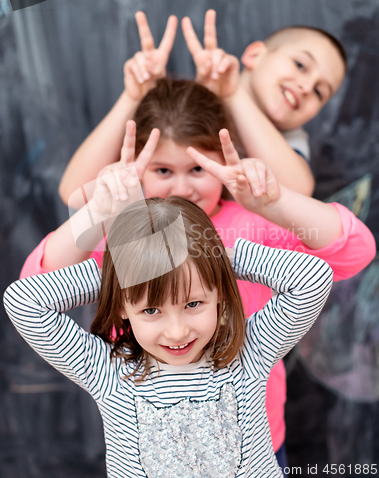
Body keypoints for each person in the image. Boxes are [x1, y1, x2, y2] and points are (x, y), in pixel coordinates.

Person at [20, 79, 376, 471]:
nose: (183, 186)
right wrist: (121, 260)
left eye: (196, 168)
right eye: (162, 170)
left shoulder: (253, 223)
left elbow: (354, 251)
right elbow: (36, 287)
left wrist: (247, 229)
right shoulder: (125, 235)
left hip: (256, 440)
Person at [6, 189, 336, 477]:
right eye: (151, 310)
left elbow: (312, 279)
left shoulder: (249, 352)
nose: (177, 331)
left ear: (219, 291)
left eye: (193, 304)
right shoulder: (106, 370)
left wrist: (216, 262)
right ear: (124, 306)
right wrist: (120, 276)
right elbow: (24, 302)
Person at [57, 10, 346, 203]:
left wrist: (234, 94)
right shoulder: (186, 107)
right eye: (300, 65)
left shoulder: (291, 141)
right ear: (255, 54)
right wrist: (134, 97)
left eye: (320, 92)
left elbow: (297, 191)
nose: (306, 87)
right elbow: (73, 192)